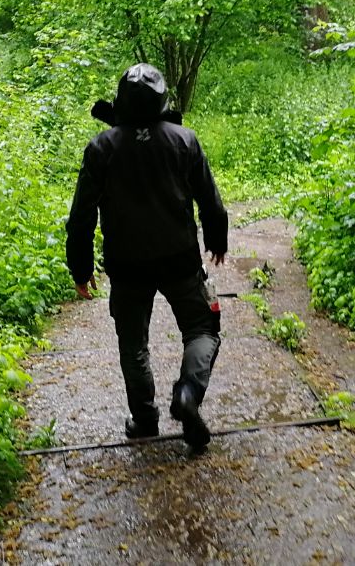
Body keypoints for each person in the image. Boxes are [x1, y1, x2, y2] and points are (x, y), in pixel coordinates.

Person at [65, 63, 228, 449]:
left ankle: (145, 420)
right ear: (162, 101)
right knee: (202, 329)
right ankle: (187, 394)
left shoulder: (101, 148)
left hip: (126, 265)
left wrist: (81, 267)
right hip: (180, 260)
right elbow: (211, 201)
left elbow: (82, 215)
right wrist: (217, 239)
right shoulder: (184, 140)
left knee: (132, 342)